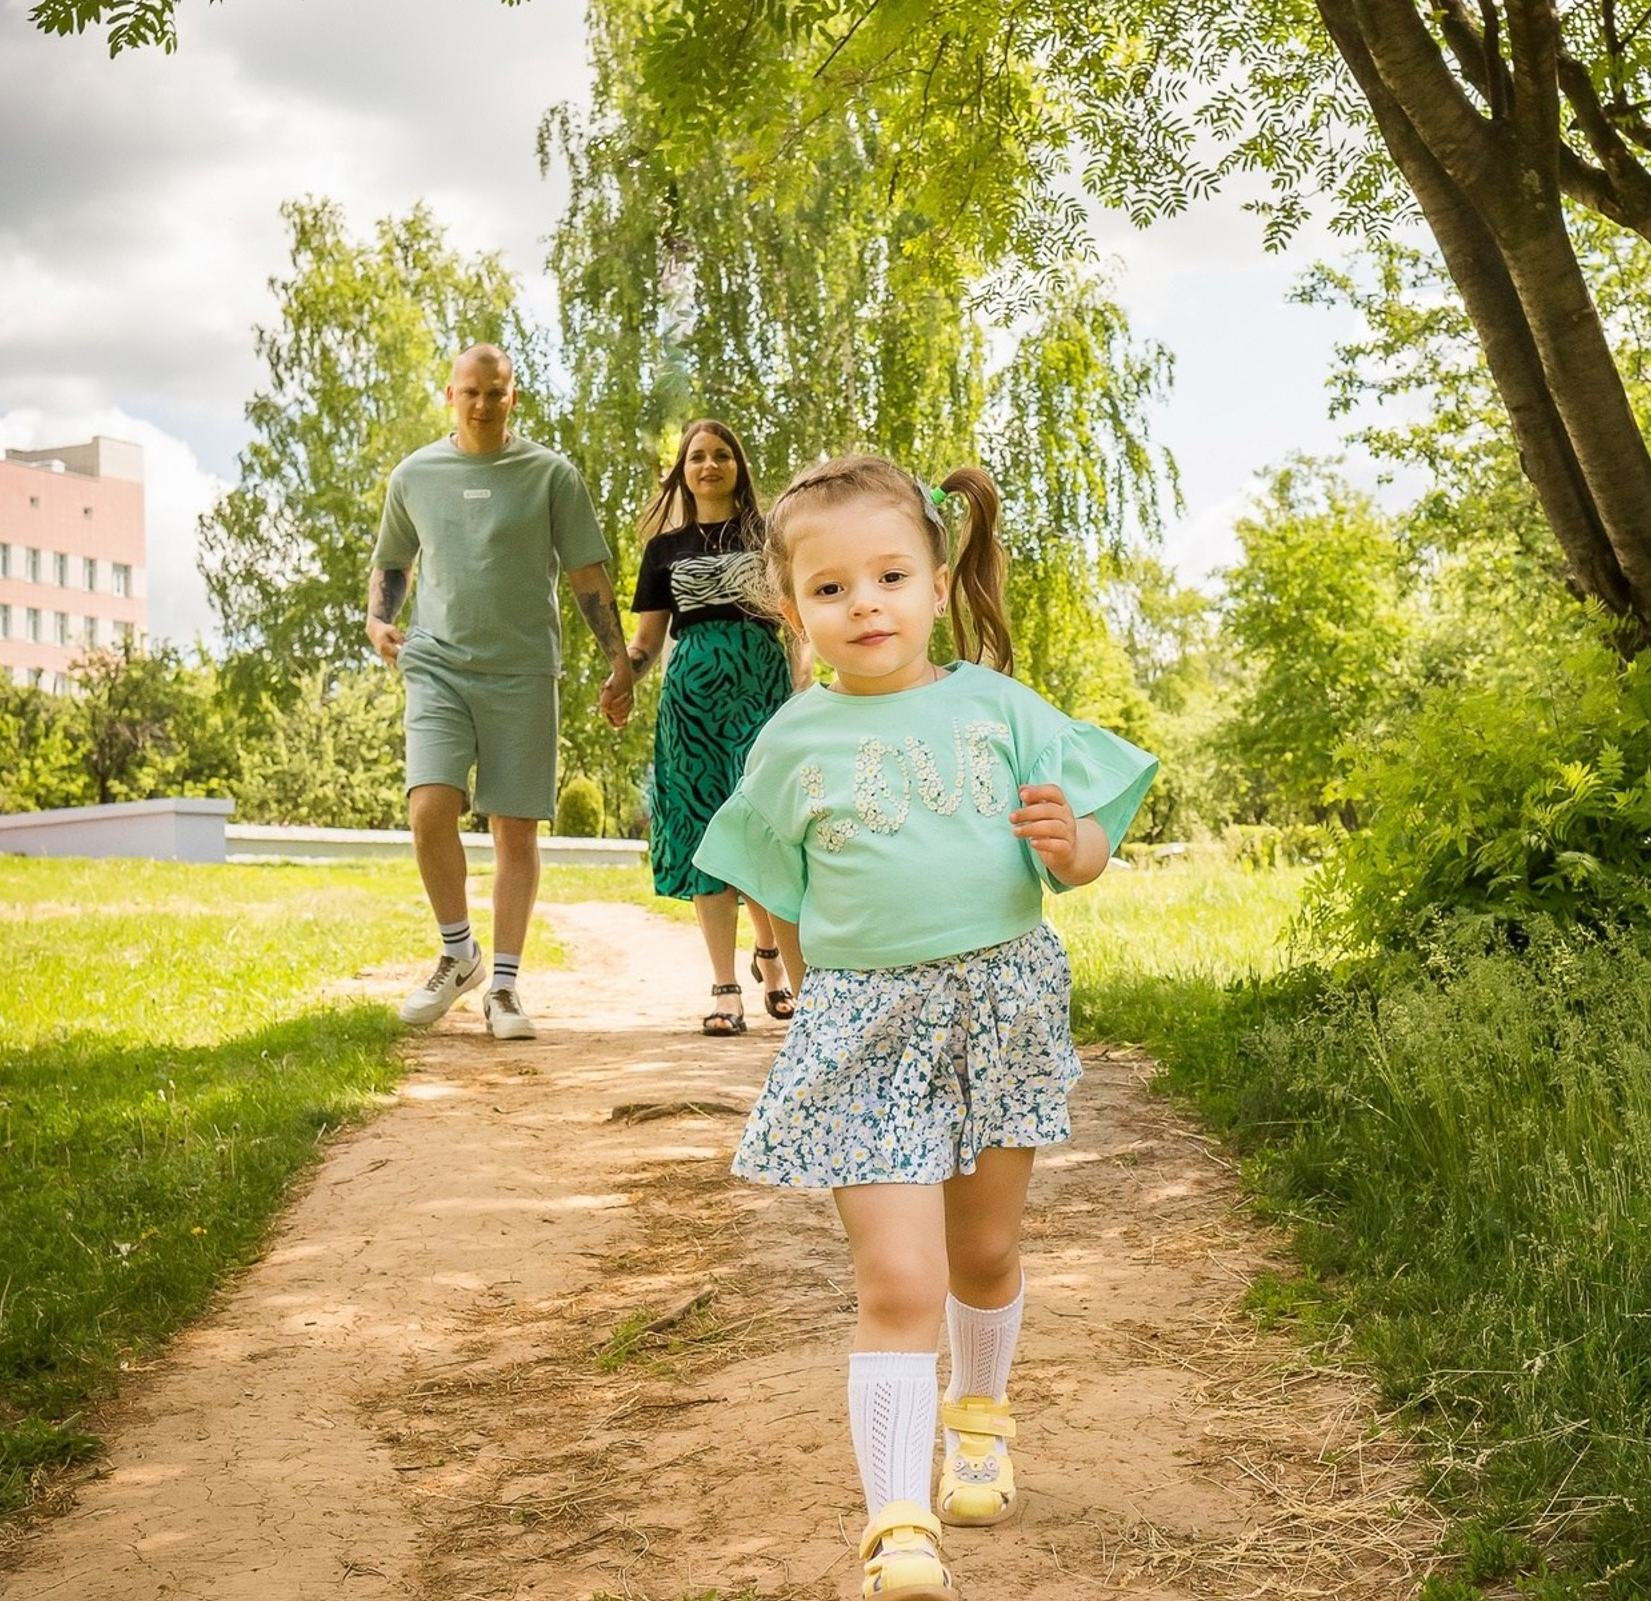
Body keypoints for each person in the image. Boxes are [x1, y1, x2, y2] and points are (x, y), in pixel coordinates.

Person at [694, 454, 1156, 1600]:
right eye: (833, 589)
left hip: (1000, 1007)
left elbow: (1087, 843)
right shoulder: (791, 742)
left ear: (938, 584)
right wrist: (807, 990)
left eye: (891, 576)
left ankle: (981, 1422)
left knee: (983, 1253)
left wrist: (1074, 849)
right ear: (792, 611)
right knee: (896, 1282)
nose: (867, 607)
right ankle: (898, 1521)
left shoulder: (997, 708)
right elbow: (774, 887)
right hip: (864, 1028)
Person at [367, 343, 633, 1041]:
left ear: (514, 397)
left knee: (514, 829)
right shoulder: (415, 474)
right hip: (438, 665)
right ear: (449, 395)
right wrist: (379, 619)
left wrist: (619, 661)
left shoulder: (550, 475)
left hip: (522, 669)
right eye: (470, 392)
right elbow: (393, 561)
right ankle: (459, 955)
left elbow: (586, 576)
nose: (482, 403)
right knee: (430, 809)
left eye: (496, 391)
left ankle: (506, 988)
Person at [625, 418, 806, 1035]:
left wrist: (803, 689)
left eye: (721, 455)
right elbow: (646, 643)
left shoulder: (770, 535)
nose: (709, 465)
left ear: (738, 465)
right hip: (692, 705)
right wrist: (622, 675)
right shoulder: (664, 550)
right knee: (706, 832)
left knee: (763, 829)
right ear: (683, 470)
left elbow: (797, 621)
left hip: (762, 693)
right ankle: (725, 988)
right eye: (697, 457)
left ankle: (774, 964)